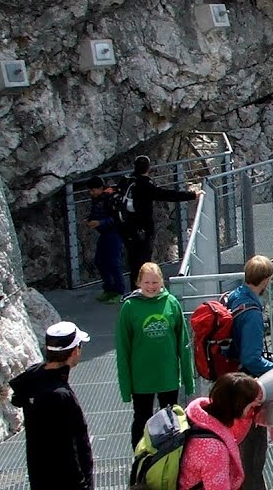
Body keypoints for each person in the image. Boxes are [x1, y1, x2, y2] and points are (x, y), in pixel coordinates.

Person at [117, 262, 195, 446]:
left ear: (162, 282)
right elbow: (123, 348)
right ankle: (140, 459)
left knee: (170, 420)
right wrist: (125, 388)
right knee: (142, 419)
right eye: (146, 282)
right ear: (138, 283)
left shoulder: (172, 303)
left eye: (155, 282)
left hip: (167, 375)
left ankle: (170, 458)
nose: (151, 287)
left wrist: (188, 379)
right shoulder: (129, 307)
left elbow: (183, 344)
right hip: (141, 378)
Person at [10, 321, 93, 490]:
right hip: (65, 482)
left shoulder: (34, 376)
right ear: (75, 350)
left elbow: (17, 398)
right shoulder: (60, 396)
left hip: (39, 475)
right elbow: (68, 450)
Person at [225, 256, 273, 490]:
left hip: (229, 380)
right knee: (253, 453)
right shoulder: (252, 313)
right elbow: (251, 358)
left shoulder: (234, 296)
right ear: (266, 280)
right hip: (246, 388)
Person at [121, 155, 203, 290]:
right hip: (142, 229)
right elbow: (166, 195)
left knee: (133, 262)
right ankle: (143, 291)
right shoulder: (145, 185)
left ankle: (134, 291)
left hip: (127, 228)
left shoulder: (126, 181)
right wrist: (192, 195)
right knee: (143, 263)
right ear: (148, 168)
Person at [179, 372, 264, 490]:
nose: (253, 408)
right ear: (239, 406)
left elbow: (230, 436)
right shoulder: (214, 450)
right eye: (251, 406)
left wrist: (248, 395)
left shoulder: (197, 416)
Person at [85, 175, 126, 303]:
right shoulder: (97, 199)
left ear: (100, 188)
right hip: (104, 234)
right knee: (100, 261)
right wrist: (90, 220)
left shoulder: (110, 199)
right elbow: (95, 213)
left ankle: (120, 291)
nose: (91, 193)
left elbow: (117, 218)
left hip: (114, 234)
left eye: (93, 190)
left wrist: (100, 223)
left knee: (114, 263)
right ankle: (109, 288)